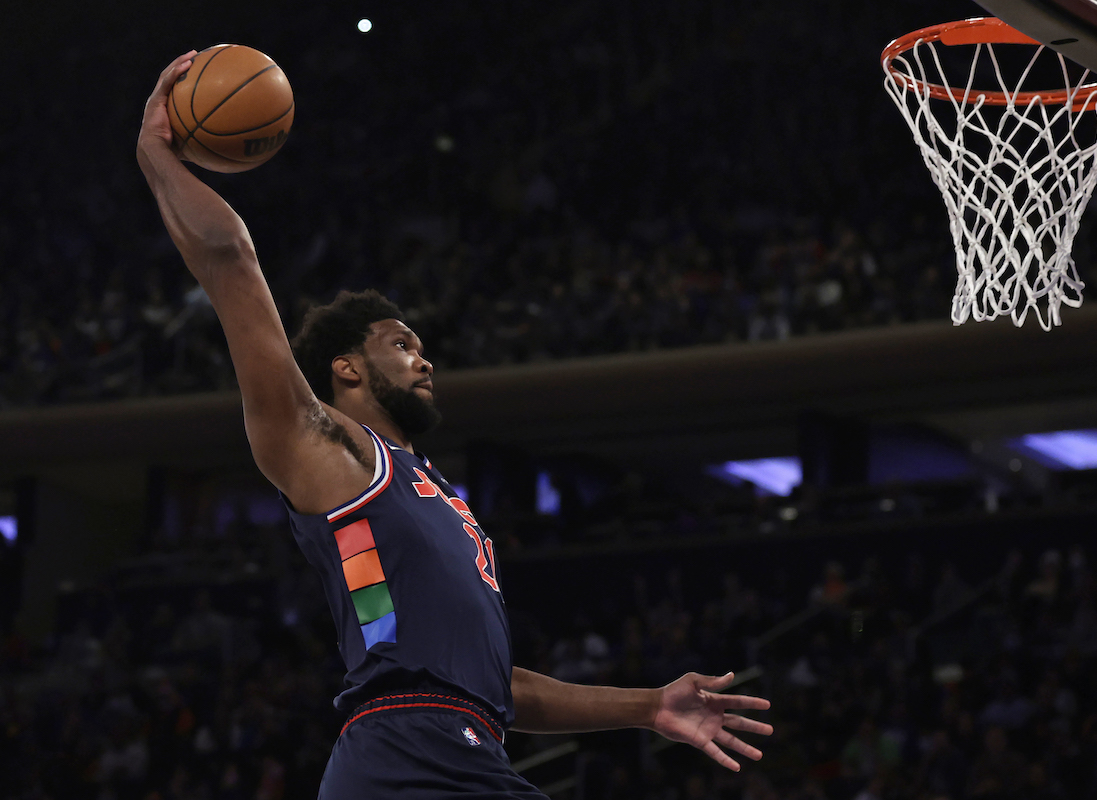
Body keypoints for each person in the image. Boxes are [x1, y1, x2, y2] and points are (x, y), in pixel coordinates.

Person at [137, 52, 773, 798]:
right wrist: (154, 151)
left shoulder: (436, 492)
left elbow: (494, 688)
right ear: (346, 368)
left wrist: (648, 706)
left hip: (452, 746)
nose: (424, 361)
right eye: (402, 345)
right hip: (408, 751)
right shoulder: (328, 450)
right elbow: (232, 262)